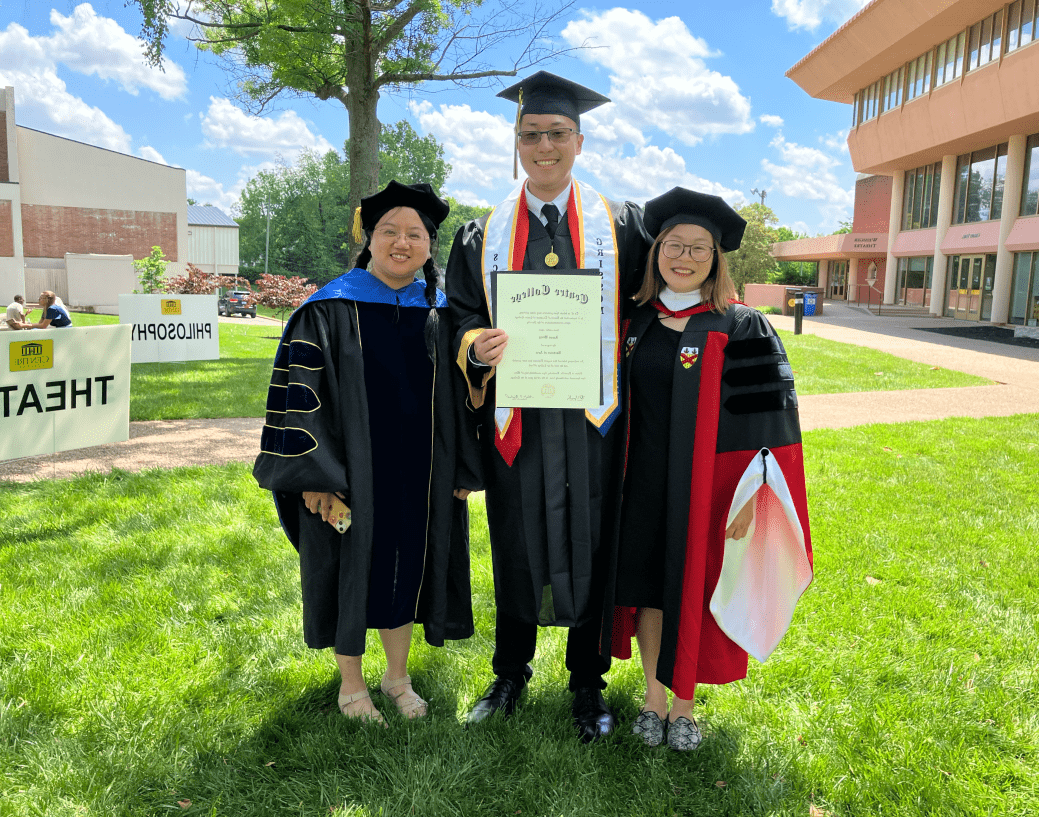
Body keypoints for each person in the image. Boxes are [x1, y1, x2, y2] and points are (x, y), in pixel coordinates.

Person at [445, 71, 650, 742]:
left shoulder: (624, 228)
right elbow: (460, 317)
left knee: (596, 538)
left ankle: (587, 684)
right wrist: (478, 344)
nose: (544, 145)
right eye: (531, 134)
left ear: (579, 140)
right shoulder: (481, 235)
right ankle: (510, 672)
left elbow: (649, 309)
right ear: (517, 141)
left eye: (557, 133)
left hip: (597, 423)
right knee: (515, 539)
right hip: (520, 422)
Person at [253, 181, 481, 724]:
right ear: (369, 239)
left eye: (416, 234)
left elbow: (461, 396)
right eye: (389, 232)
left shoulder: (443, 313)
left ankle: (396, 676)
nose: (402, 243)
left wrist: (462, 466)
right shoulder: (327, 309)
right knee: (351, 567)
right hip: (348, 473)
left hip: (420, 472)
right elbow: (298, 397)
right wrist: (314, 475)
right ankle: (351, 685)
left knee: (409, 565)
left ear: (430, 244)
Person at [610, 187, 814, 751]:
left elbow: (770, 427)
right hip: (640, 483)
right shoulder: (634, 324)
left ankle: (684, 708)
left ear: (716, 258)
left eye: (698, 248)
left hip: (708, 487)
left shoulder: (743, 326)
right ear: (655, 253)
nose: (684, 257)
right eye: (673, 244)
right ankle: (653, 699)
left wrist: (753, 498)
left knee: (693, 586)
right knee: (650, 588)